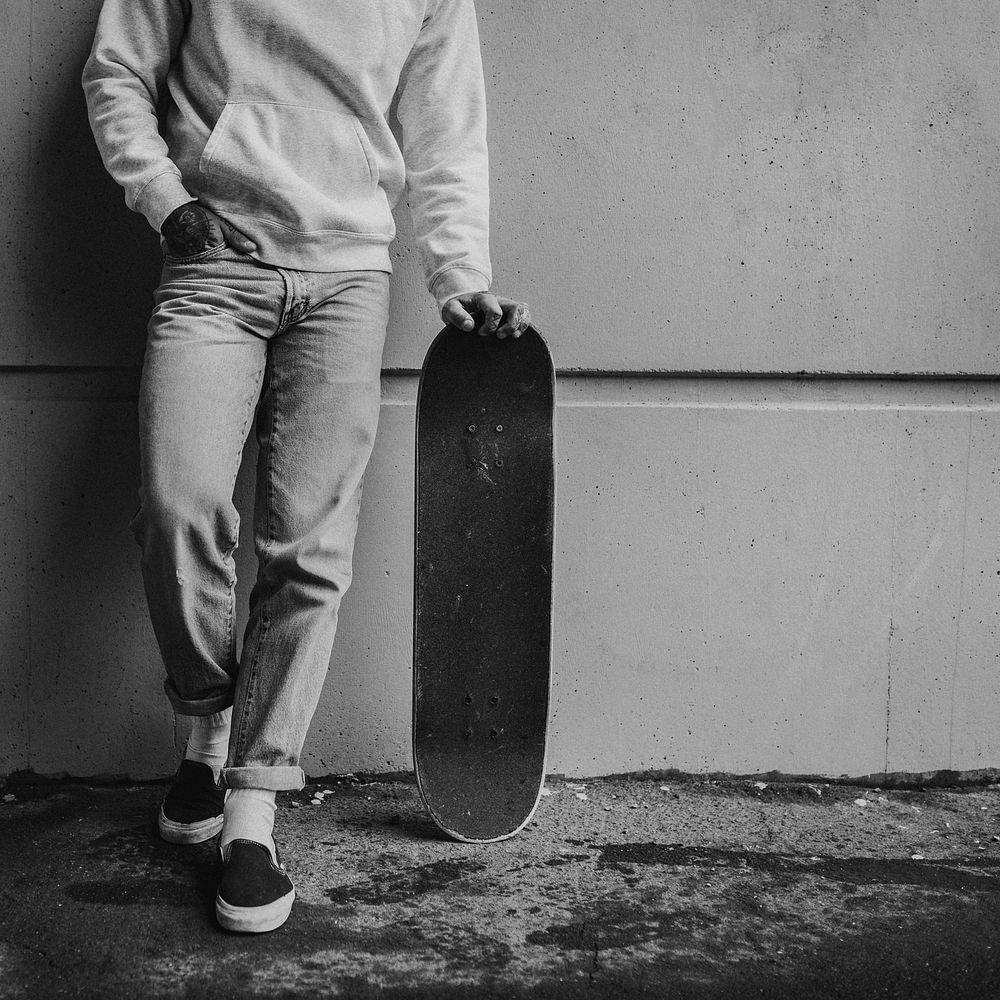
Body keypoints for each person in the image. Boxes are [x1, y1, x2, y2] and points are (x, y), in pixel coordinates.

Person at [82, 0, 530, 934]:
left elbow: (447, 127)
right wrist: (166, 201)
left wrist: (461, 276)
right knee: (177, 505)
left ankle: (253, 805)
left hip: (348, 276)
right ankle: (206, 729)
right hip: (214, 262)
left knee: (311, 550)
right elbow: (118, 70)